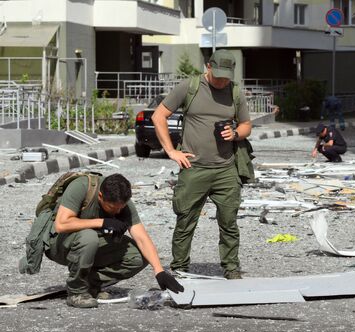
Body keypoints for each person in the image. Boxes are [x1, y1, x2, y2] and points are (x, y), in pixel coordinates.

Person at [152, 50, 252, 280]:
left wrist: (235, 133)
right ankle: (180, 269)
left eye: (226, 76)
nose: (222, 80)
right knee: (185, 220)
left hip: (226, 168)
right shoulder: (189, 86)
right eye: (218, 75)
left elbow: (246, 125)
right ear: (208, 66)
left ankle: (231, 268)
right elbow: (159, 116)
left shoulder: (235, 92)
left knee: (229, 221)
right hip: (193, 168)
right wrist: (171, 151)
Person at [47, 173, 184, 308]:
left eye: (121, 207)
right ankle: (77, 292)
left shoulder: (121, 200)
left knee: (139, 256)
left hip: (90, 245)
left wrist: (159, 271)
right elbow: (61, 225)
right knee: (89, 237)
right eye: (113, 208)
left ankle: (89, 285)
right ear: (100, 196)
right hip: (58, 244)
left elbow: (142, 238)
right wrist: (102, 222)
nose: (118, 212)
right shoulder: (81, 187)